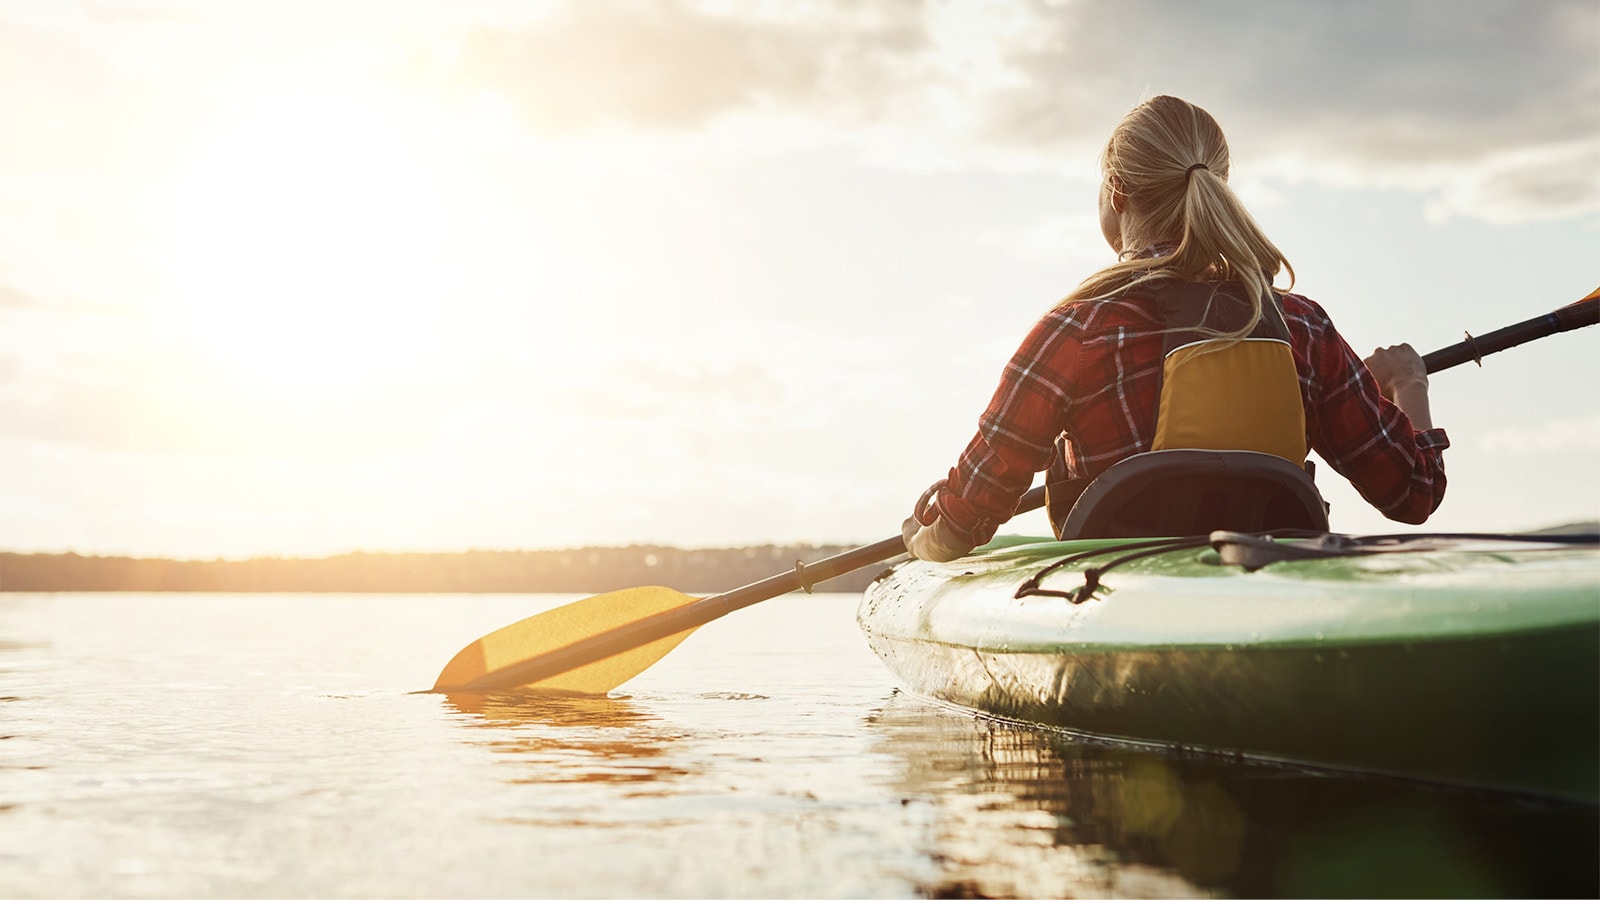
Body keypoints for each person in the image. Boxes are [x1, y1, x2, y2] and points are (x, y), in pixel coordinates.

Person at [902, 95, 1448, 562]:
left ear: (1117, 192)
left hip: (1116, 610)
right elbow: (1415, 493)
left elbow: (965, 520)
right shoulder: (1304, 328)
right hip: (1270, 596)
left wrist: (922, 540)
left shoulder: (1075, 332)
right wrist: (1408, 385)